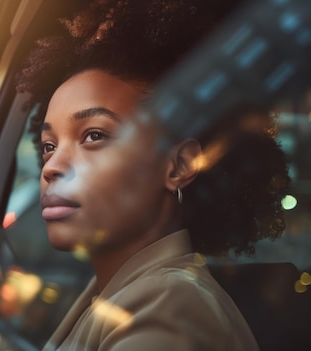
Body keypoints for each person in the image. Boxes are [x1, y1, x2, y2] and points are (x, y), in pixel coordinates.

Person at [15, 0, 291, 350]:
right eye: (49, 145)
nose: (51, 167)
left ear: (178, 166)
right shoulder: (120, 292)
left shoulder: (169, 306)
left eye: (95, 135)